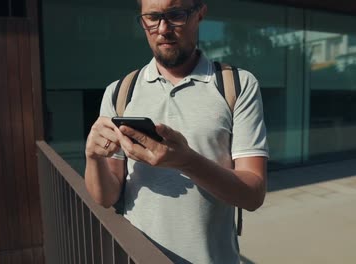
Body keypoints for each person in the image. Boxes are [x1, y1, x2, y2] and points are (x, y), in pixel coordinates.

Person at [84, 0, 269, 263]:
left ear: (199, 14)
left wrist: (185, 160)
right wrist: (93, 157)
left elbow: (252, 195)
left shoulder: (237, 84)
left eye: (175, 15)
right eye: (152, 17)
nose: (163, 29)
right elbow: (106, 196)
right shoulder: (120, 91)